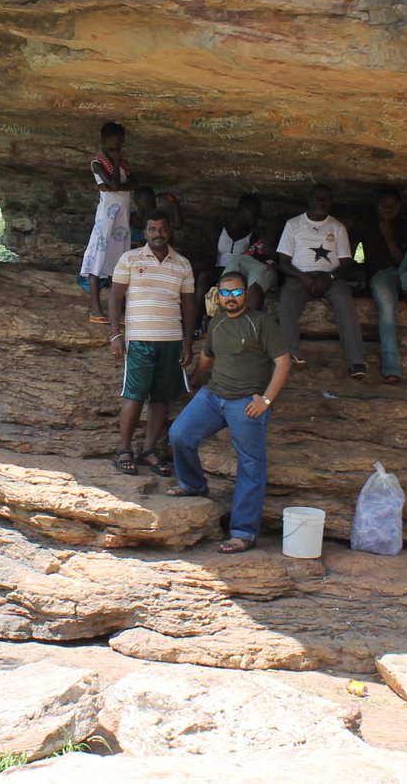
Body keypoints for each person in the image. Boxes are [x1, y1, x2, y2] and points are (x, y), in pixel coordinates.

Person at [166, 269, 293, 555]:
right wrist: (192, 382)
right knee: (179, 434)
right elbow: (207, 357)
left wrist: (267, 401)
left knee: (250, 464)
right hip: (213, 395)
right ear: (218, 296)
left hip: (246, 401)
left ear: (246, 294)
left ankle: (243, 532)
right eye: (226, 293)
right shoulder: (217, 322)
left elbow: (283, 362)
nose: (231, 297)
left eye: (237, 292)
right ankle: (194, 484)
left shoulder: (261, 322)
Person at [108, 211, 195, 477]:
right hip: (140, 340)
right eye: (152, 229)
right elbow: (114, 298)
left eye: (162, 229)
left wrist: (187, 342)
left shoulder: (182, 264)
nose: (158, 233)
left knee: (161, 398)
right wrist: (116, 334)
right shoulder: (130, 259)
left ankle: (148, 451)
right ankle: (123, 450)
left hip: (170, 341)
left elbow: (189, 306)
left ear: (170, 231)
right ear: (145, 233)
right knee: (135, 395)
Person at [276, 184, 367, 378]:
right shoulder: (294, 224)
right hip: (299, 277)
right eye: (317, 197)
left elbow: (345, 263)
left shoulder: (337, 227)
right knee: (287, 301)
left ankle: (356, 361)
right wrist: (303, 277)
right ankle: (290, 353)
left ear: (330, 203)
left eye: (325, 199)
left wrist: (330, 277)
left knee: (345, 302)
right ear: (309, 199)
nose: (321, 202)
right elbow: (282, 262)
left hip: (331, 277)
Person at [355, 187, 407, 386]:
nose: (388, 209)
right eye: (384, 205)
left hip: (403, 271)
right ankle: (391, 368)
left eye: (393, 206)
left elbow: (401, 260)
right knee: (387, 310)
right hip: (381, 275)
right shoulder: (364, 223)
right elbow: (349, 255)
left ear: (399, 207)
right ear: (377, 206)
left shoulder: (404, 225)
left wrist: (388, 236)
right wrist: (360, 278)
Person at [82, 121, 133, 323]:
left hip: (122, 220)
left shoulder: (123, 163)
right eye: (116, 140)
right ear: (104, 141)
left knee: (119, 262)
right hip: (106, 219)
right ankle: (96, 309)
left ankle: (117, 312)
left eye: (122, 140)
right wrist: (115, 164)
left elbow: (133, 182)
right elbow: (113, 184)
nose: (120, 143)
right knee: (98, 258)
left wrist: (119, 169)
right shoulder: (97, 164)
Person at [209, 194, 277, 312]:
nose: (256, 216)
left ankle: (239, 324)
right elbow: (210, 252)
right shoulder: (221, 227)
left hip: (238, 269)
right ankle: (202, 324)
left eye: (258, 213)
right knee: (205, 279)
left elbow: (256, 257)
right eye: (254, 211)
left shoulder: (253, 235)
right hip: (220, 268)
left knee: (232, 284)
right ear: (243, 208)